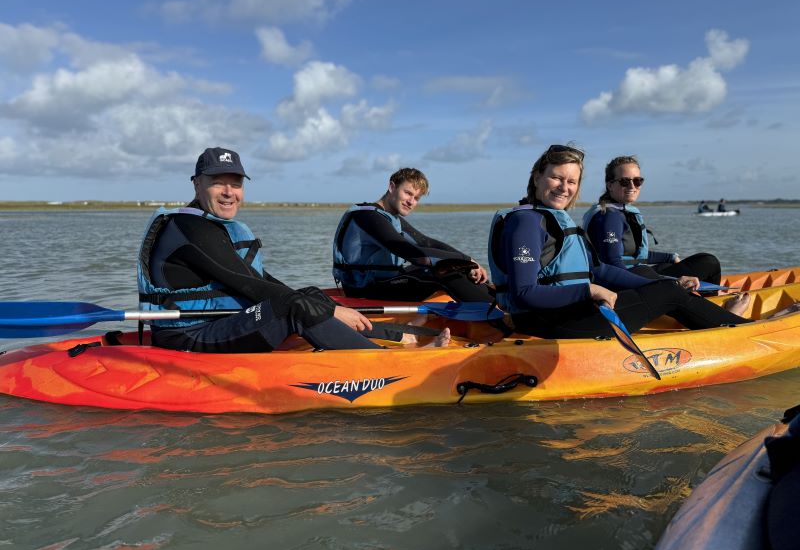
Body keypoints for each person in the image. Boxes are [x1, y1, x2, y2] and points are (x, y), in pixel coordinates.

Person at [137, 147, 449, 353]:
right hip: (188, 336)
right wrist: (329, 310)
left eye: (236, 183)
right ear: (197, 184)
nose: (230, 192)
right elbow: (249, 285)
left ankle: (396, 337)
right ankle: (387, 361)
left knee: (309, 294)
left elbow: (260, 278)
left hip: (218, 321)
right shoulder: (190, 228)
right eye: (219, 183)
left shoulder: (210, 224)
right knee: (295, 306)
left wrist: (320, 304)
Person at [487, 144, 751, 339]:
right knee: (669, 293)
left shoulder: (553, 218)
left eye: (571, 181)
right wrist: (589, 290)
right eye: (556, 177)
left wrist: (666, 280)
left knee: (668, 289)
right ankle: (740, 330)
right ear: (537, 178)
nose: (563, 187)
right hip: (546, 321)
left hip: (570, 311)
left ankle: (718, 320)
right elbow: (524, 293)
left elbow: (600, 269)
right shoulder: (526, 222)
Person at [332, 167, 493, 302]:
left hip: (383, 281)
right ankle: (499, 315)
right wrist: (465, 261)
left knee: (450, 266)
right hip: (364, 289)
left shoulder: (389, 217)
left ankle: (495, 299)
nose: (411, 201)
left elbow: (425, 243)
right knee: (445, 272)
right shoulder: (366, 216)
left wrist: (469, 261)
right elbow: (409, 252)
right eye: (408, 193)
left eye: (417, 198)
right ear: (392, 187)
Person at [582, 155, 722, 285]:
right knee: (710, 263)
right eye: (625, 181)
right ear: (610, 185)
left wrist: (670, 257)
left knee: (703, 260)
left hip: (638, 271)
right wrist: (668, 282)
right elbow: (612, 263)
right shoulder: (609, 216)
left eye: (637, 181)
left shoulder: (623, 212)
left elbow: (634, 256)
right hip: (628, 280)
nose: (632, 186)